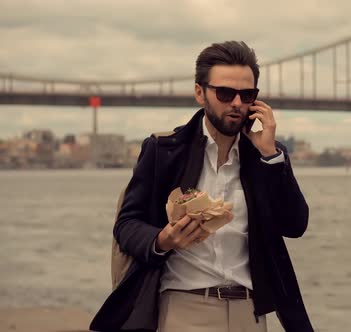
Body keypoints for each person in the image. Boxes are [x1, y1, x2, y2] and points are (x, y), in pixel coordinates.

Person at [89, 41, 313, 332]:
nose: (236, 103)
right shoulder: (163, 149)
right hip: (185, 307)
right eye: (225, 93)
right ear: (200, 93)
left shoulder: (267, 154)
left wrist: (270, 158)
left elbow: (295, 225)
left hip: (250, 311)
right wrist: (162, 240)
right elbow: (126, 225)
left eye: (247, 95)